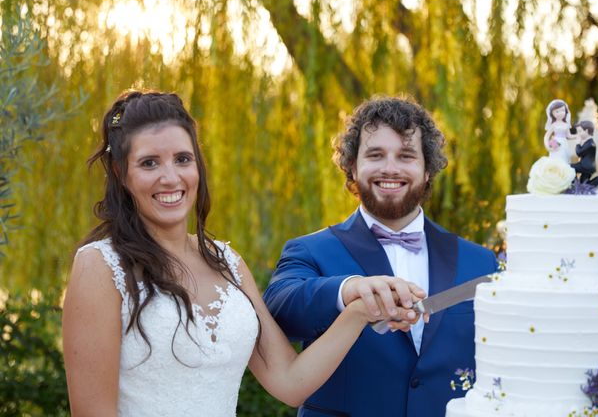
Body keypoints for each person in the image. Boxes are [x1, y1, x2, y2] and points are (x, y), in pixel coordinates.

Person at [62, 90, 420, 416]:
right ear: (121, 173)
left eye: (183, 159)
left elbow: (289, 381)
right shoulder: (99, 265)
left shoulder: (227, 262)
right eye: (150, 163)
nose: (171, 178)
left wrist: (358, 312)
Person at [263, 95, 498, 417]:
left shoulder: (482, 263)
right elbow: (278, 310)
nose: (390, 168)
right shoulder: (308, 250)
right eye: (375, 155)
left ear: (427, 169)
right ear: (352, 167)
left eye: (406, 156)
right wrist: (348, 290)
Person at [543, 99, 575, 163]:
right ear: (552, 113)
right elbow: (546, 136)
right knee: (556, 160)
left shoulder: (566, 124)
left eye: (562, 110)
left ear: (565, 111)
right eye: (557, 111)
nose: (560, 113)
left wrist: (577, 136)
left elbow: (569, 135)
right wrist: (547, 146)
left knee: (564, 159)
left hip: (564, 145)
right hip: (556, 144)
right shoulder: (553, 125)